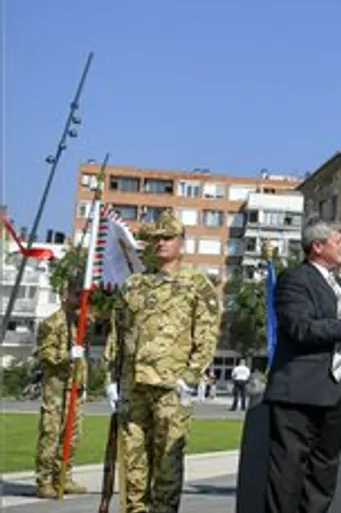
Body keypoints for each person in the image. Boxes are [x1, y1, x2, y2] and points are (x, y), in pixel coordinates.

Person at [263, 218, 341, 513]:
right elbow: (301, 329)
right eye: (339, 241)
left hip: (335, 394)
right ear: (318, 246)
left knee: (323, 475)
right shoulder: (294, 279)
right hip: (300, 394)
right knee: (287, 476)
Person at [104, 210, 221, 513]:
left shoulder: (197, 284)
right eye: (156, 239)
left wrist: (191, 377)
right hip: (133, 384)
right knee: (132, 460)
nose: (161, 244)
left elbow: (206, 335)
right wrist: (111, 378)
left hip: (171, 385)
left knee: (168, 461)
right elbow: (119, 332)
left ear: (182, 243)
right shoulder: (134, 284)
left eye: (167, 238)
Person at [33, 280, 87, 498]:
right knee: (51, 434)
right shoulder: (51, 323)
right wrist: (67, 356)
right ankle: (44, 481)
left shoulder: (80, 322)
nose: (80, 301)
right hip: (56, 387)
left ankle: (63, 476)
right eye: (76, 295)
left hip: (74, 388)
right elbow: (45, 354)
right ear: (65, 295)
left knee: (71, 435)